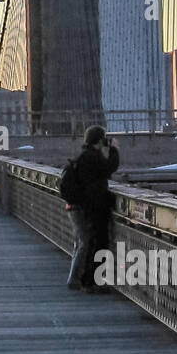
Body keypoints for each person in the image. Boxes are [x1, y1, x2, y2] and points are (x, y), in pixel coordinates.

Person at [65, 125, 120, 292]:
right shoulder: (92, 157)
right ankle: (90, 281)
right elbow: (109, 168)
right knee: (93, 242)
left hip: (83, 206)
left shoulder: (85, 156)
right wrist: (114, 150)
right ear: (99, 140)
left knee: (86, 242)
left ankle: (83, 280)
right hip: (93, 206)